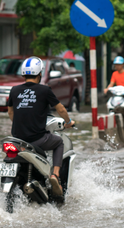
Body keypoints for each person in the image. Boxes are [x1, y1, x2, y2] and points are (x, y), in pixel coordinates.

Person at [7, 56, 75, 196]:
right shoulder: (45, 90)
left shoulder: (14, 90)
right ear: (39, 74)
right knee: (58, 142)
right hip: (37, 139)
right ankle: (55, 175)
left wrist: (20, 124)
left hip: (18, 140)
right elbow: (61, 109)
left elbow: (10, 112)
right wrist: (68, 122)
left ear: (23, 74)